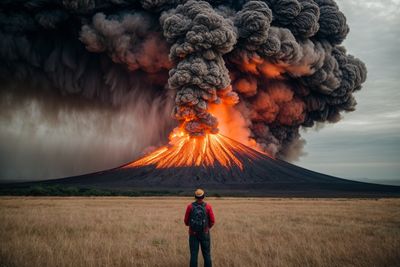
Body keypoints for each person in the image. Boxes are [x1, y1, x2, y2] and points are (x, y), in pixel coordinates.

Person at [184, 188, 215, 267]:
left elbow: (186, 221)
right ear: (203, 196)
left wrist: (192, 226)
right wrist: (206, 228)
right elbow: (212, 221)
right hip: (205, 233)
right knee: (207, 254)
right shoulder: (208, 207)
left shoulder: (190, 207)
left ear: (195, 196)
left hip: (193, 233)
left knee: (194, 255)